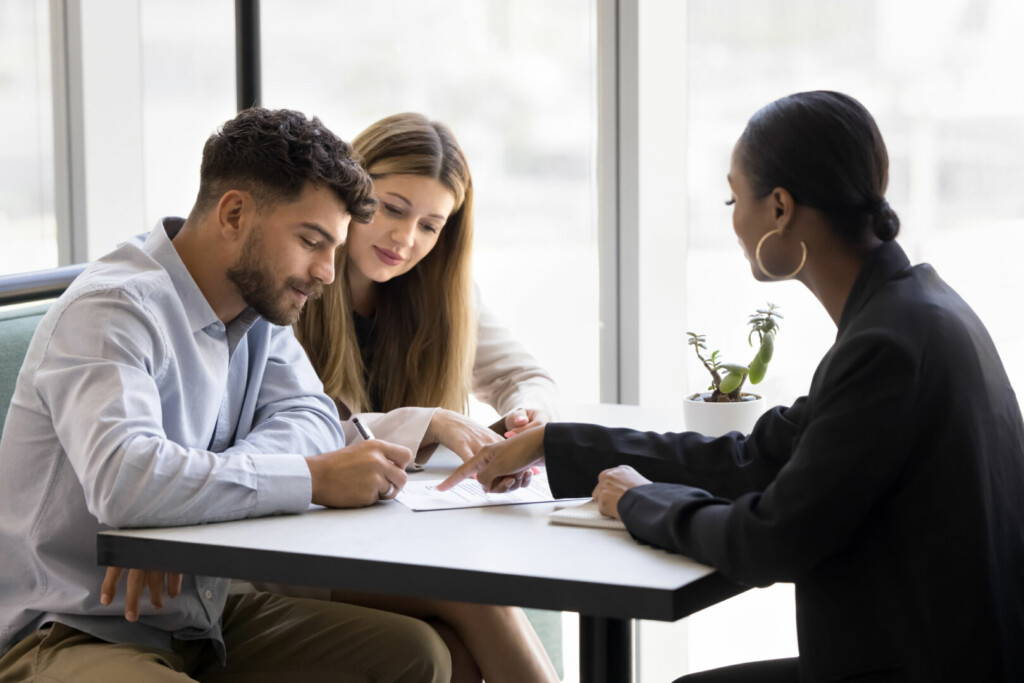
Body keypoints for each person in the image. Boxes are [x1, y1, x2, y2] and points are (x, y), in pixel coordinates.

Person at [440, 91, 1024, 682]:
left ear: (779, 209)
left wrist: (640, 500)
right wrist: (553, 443)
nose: (732, 221)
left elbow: (771, 541)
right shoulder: (912, 313)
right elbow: (752, 458)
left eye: (732, 197)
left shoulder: (888, 346)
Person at [0, 108, 451, 682]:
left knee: (414, 654)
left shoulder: (258, 305)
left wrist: (178, 521)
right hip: (69, 628)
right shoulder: (114, 309)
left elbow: (312, 416)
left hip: (197, 617)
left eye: (334, 248)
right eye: (311, 241)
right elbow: (127, 481)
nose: (327, 273)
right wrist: (312, 479)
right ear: (234, 213)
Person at [284, 112, 560, 683]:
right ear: (350, 192)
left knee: (455, 659)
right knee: (478, 598)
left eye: (431, 226)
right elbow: (295, 439)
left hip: (394, 537)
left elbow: (526, 376)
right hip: (296, 546)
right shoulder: (292, 286)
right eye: (392, 208)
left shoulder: (443, 295)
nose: (405, 241)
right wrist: (427, 422)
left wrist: (528, 419)